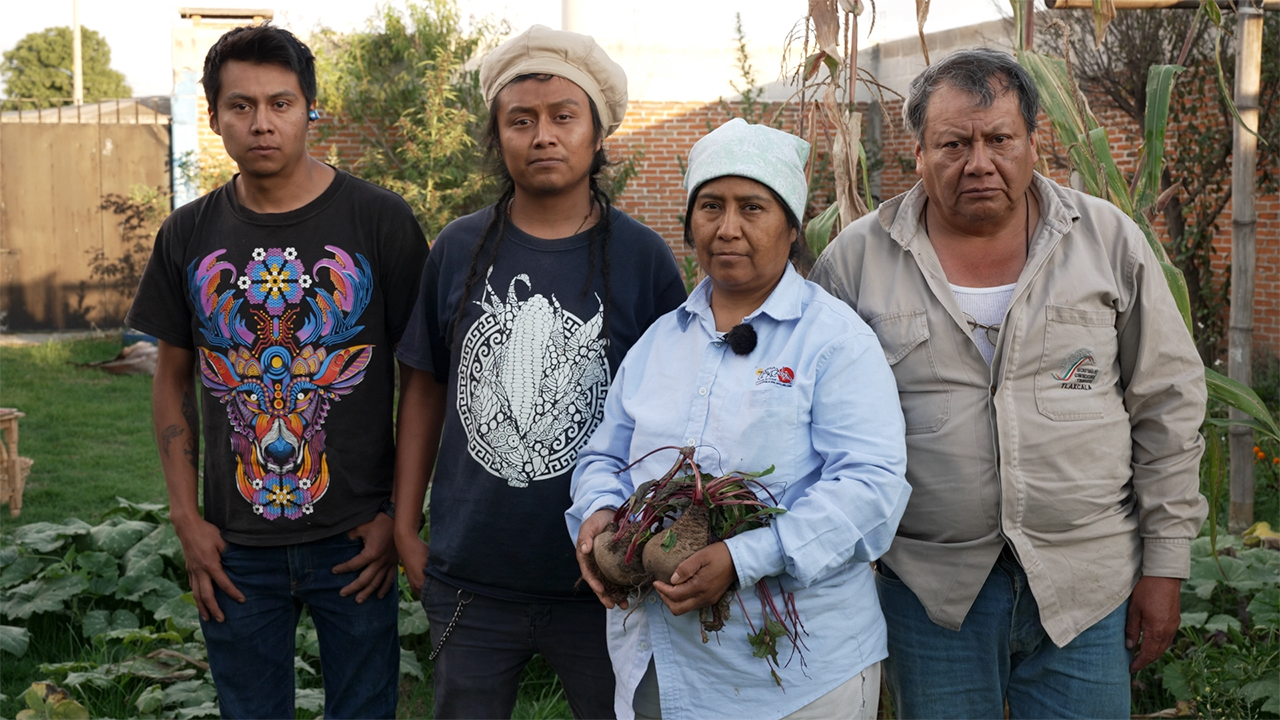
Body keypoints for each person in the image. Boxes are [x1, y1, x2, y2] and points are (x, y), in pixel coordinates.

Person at [808, 48, 1209, 719]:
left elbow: (1166, 405)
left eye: (999, 139)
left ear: (1033, 142)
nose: (979, 162)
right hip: (929, 594)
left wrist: (1165, 567)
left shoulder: (1107, 241)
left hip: (1086, 585)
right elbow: (814, 419)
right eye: (954, 143)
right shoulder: (856, 260)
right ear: (918, 153)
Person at [127, 24, 427, 719]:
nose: (262, 123)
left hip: (356, 541)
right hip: (235, 550)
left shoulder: (379, 221)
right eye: (241, 106)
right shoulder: (186, 234)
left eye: (281, 103)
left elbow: (423, 378)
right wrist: (186, 521)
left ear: (309, 110)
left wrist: (398, 517)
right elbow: (170, 378)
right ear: (215, 117)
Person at [568, 117, 912, 720]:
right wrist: (598, 512)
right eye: (710, 206)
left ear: (791, 225)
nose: (727, 228)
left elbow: (872, 486)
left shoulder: (833, 342)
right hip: (663, 666)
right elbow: (604, 454)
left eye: (752, 207)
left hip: (797, 675)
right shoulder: (661, 342)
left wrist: (744, 557)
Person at [392, 24, 687, 720]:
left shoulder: (642, 258)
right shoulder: (459, 248)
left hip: (605, 574)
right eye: (520, 121)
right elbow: (425, 388)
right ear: (497, 139)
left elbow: (678, 407)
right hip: (471, 575)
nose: (543, 136)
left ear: (596, 133)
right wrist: (407, 526)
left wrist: (655, 538)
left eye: (563, 117)